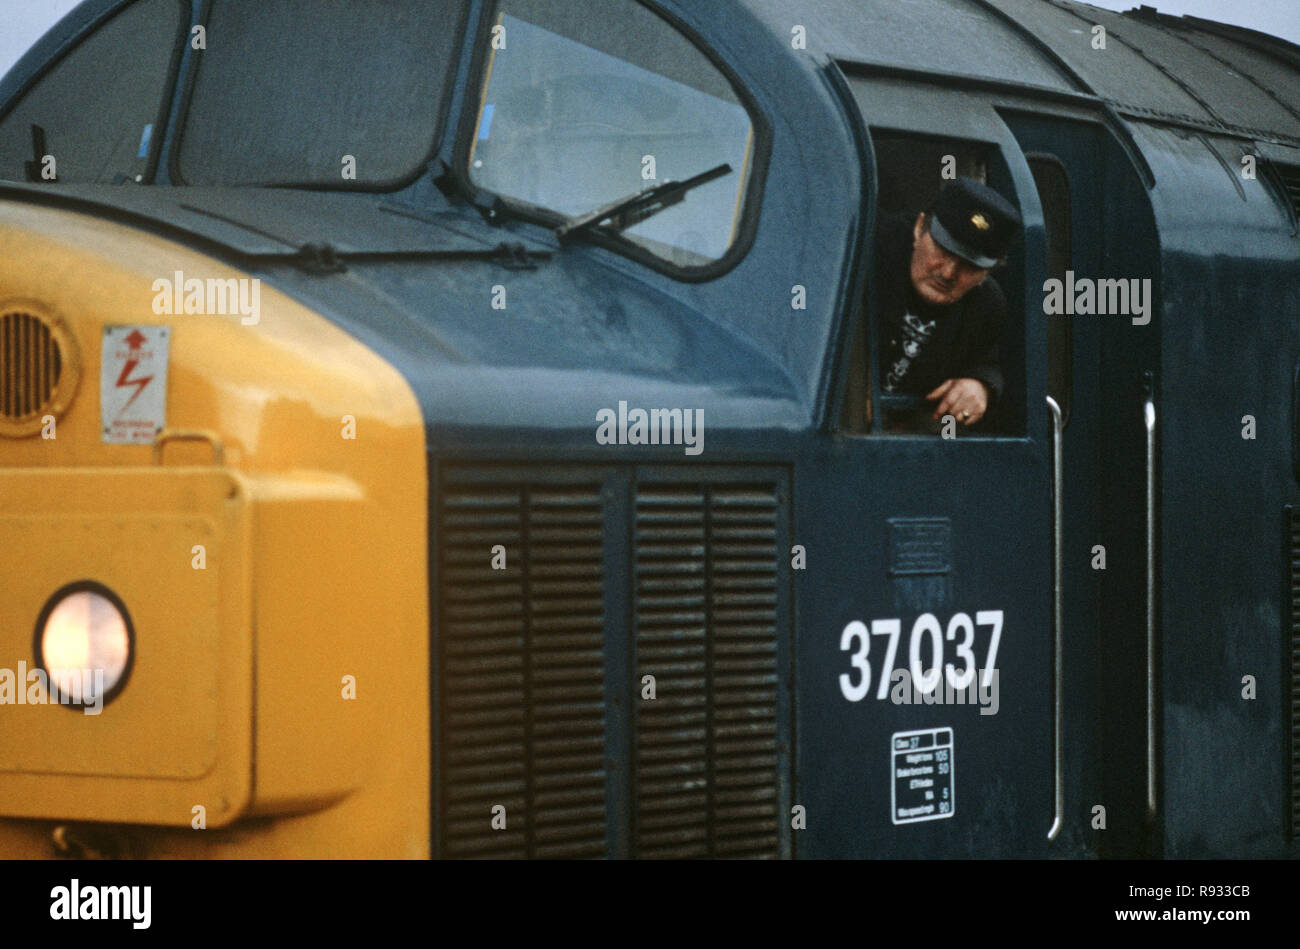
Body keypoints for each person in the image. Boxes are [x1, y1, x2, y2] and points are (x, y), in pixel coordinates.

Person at [875, 177, 1022, 430]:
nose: (948, 273)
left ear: (987, 273)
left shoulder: (987, 307)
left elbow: (986, 363)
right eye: (943, 250)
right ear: (919, 227)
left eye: (969, 265)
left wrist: (981, 386)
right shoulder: (868, 246)